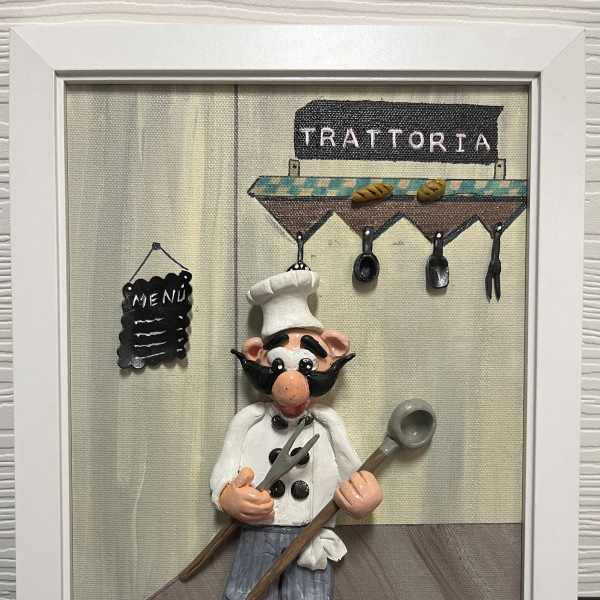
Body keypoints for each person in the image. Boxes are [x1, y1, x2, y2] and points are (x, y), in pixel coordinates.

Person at [210, 270, 382, 600]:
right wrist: (228, 497)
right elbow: (223, 473)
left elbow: (353, 474)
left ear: (334, 350)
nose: (290, 383)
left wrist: (365, 496)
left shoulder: (327, 423)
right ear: (255, 354)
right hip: (258, 532)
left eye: (305, 366)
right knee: (244, 594)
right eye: (278, 366)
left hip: (311, 533)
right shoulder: (249, 419)